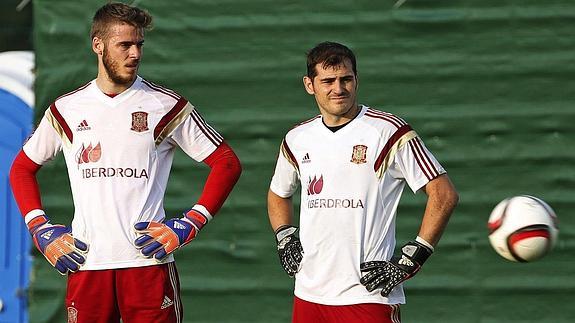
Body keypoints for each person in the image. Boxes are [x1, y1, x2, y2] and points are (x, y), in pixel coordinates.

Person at [9, 3, 241, 322]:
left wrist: (191, 222)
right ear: (98, 45)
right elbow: (21, 168)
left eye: (139, 44)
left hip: (147, 264)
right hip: (87, 263)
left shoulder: (165, 105)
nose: (134, 54)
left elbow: (226, 163)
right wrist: (40, 228)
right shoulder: (67, 109)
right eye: (124, 45)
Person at [267, 41, 459, 323]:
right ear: (310, 85)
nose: (339, 88)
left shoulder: (389, 131)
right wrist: (284, 234)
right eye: (328, 81)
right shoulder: (297, 138)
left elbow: (444, 194)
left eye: (346, 79)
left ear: (357, 80)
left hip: (368, 294)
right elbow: (278, 193)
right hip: (309, 294)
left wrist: (413, 257)